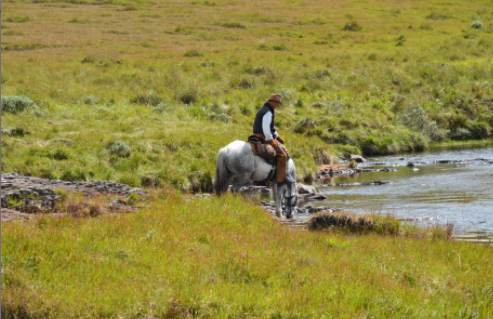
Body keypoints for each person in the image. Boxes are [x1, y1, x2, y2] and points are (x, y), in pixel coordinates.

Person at [252, 94, 290, 183]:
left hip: (255, 136)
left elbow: (271, 128)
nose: (278, 106)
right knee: (282, 156)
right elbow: (266, 128)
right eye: (277, 103)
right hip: (263, 137)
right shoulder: (268, 111)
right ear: (272, 102)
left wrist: (278, 137)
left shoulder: (263, 109)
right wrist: (270, 140)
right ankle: (280, 180)